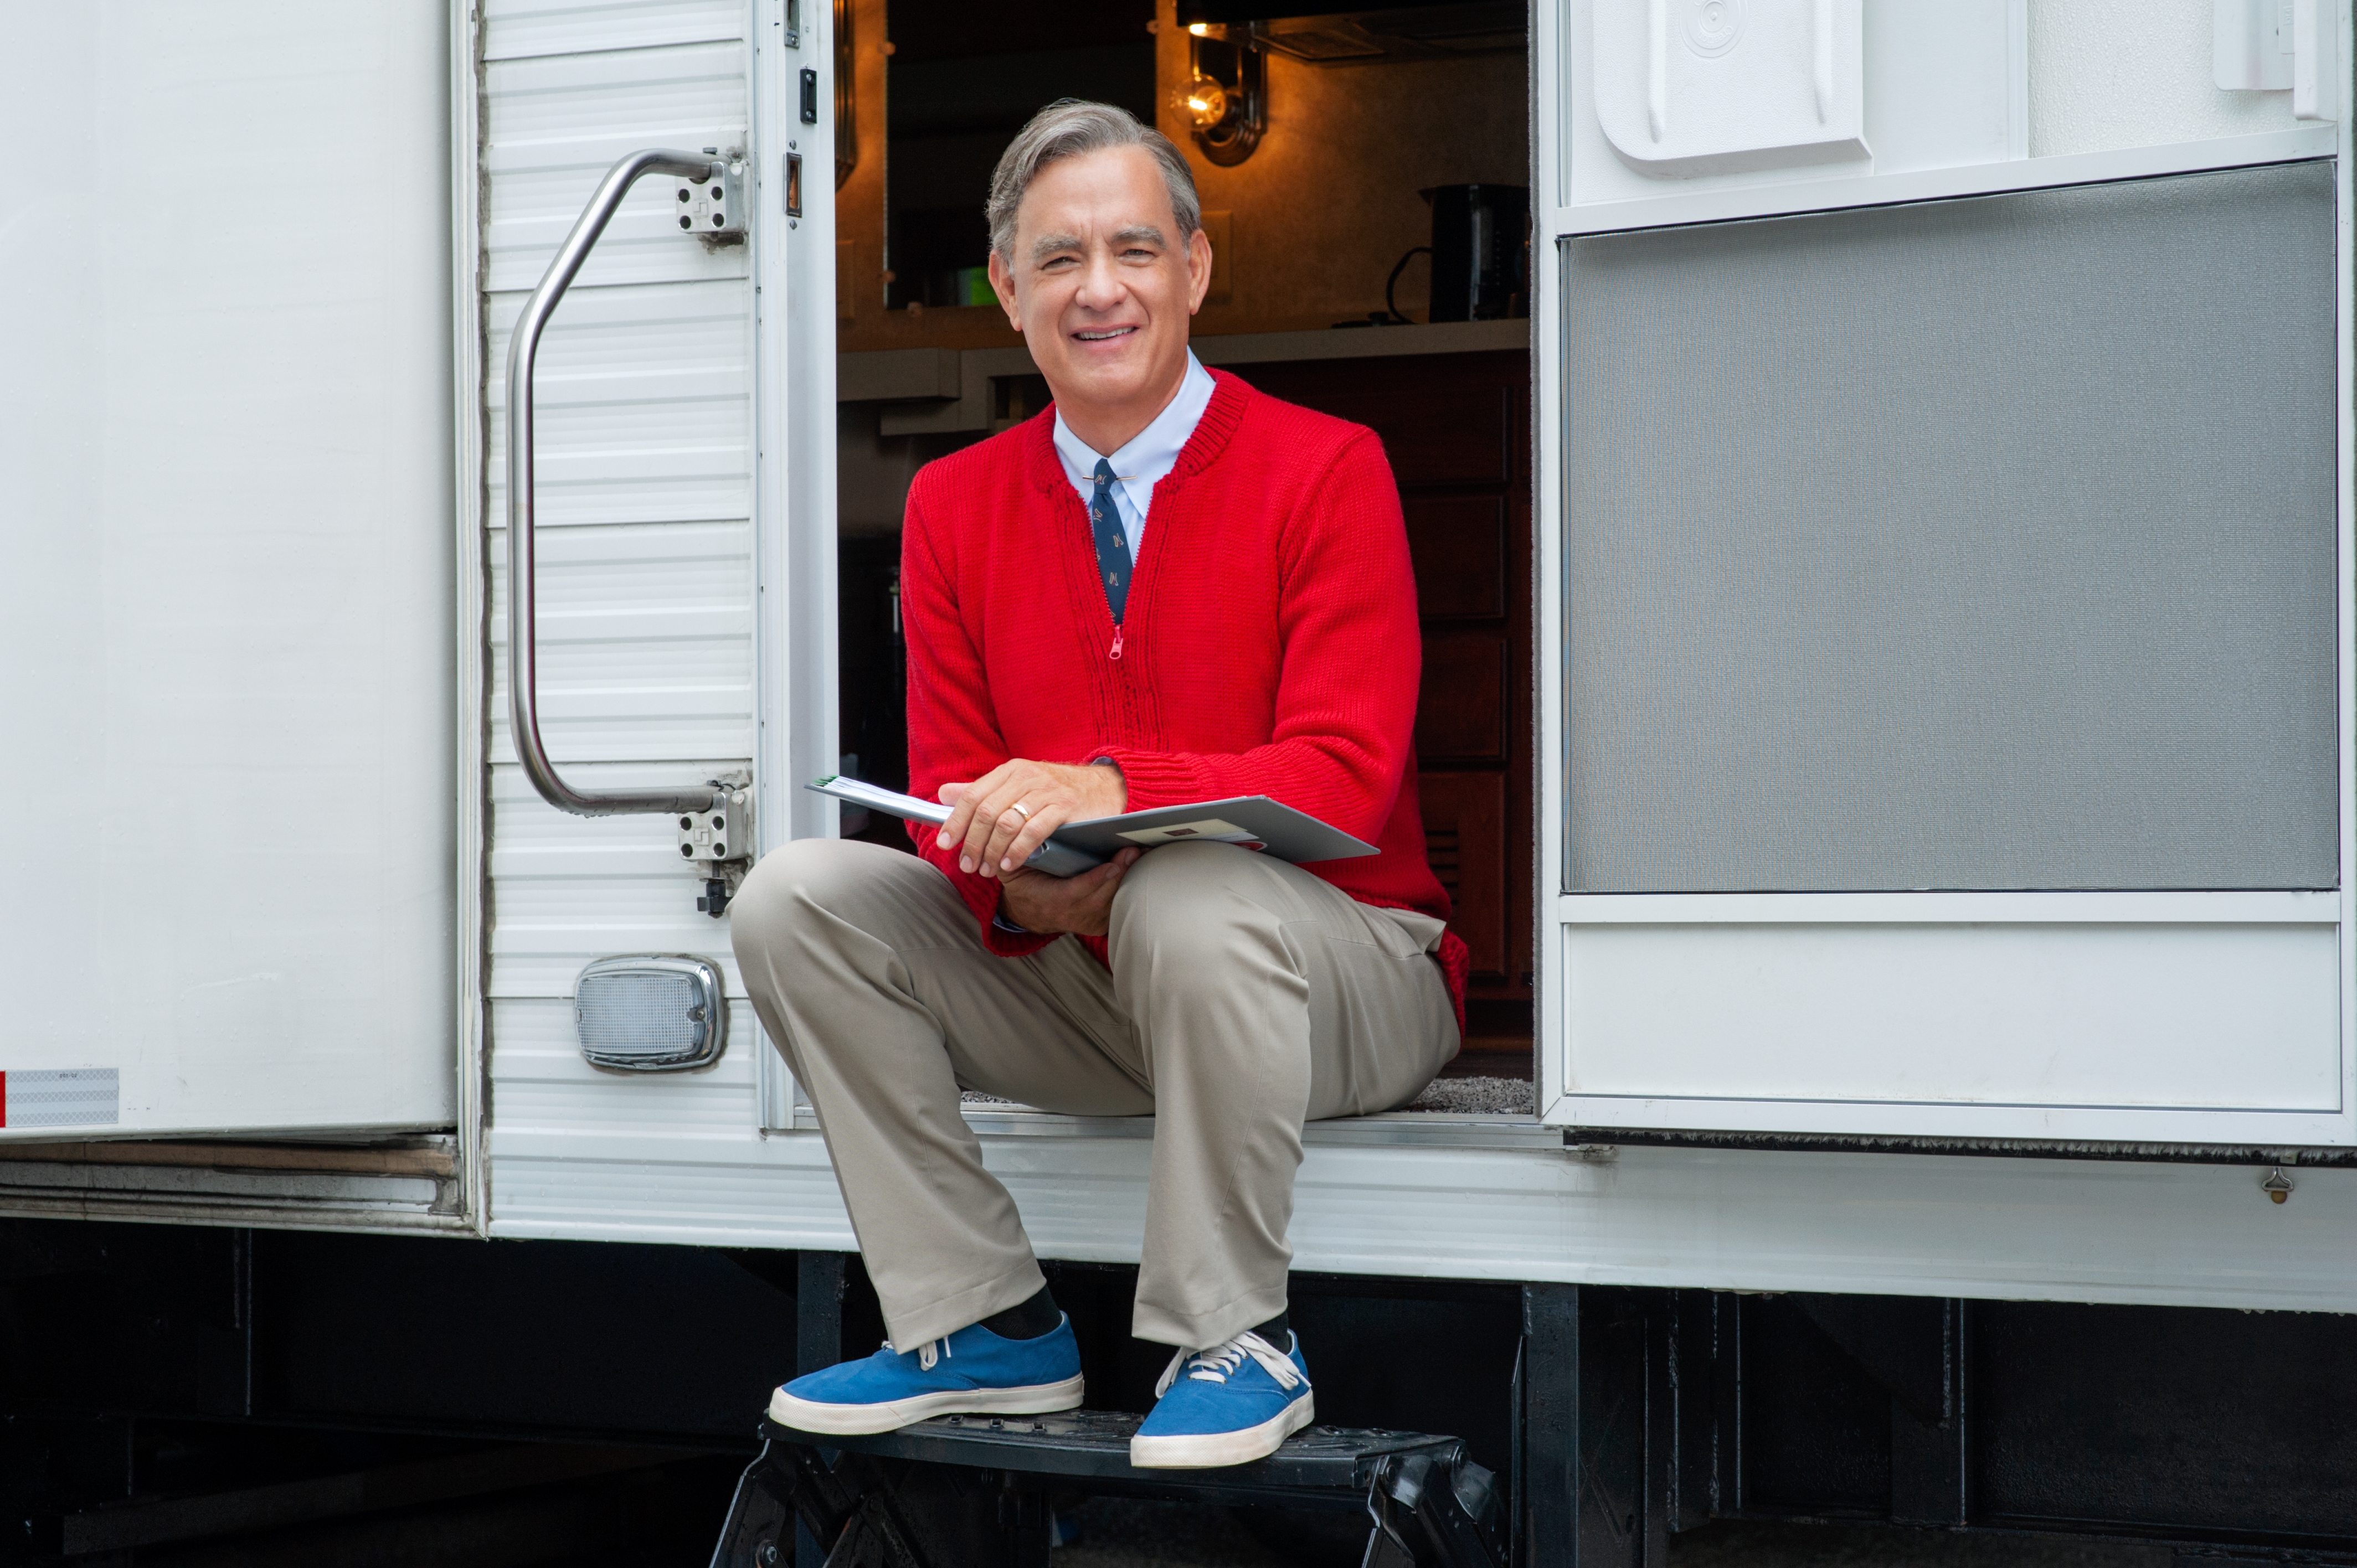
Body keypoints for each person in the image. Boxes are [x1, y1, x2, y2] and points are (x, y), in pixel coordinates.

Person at [730, 98, 1466, 1469]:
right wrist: (1039, 894)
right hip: (1100, 977)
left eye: (1134, 249)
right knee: (795, 897)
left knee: (1189, 894)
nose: (1100, 288)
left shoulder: (1325, 467)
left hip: (1351, 983)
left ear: (1195, 269)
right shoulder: (955, 501)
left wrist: (1107, 789)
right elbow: (958, 798)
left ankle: (1232, 1333)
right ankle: (985, 1318)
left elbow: (1346, 777)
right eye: (1058, 259)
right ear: (1008, 293)